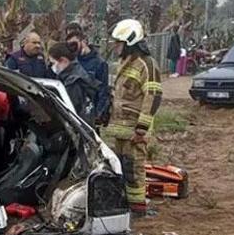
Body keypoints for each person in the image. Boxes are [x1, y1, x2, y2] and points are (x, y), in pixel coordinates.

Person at [102, 19, 163, 216]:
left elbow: (153, 96)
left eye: (118, 43)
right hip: (119, 129)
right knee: (119, 166)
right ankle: (125, 204)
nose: (114, 47)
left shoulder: (147, 65)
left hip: (134, 130)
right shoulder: (123, 64)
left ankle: (137, 209)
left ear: (130, 42)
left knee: (134, 170)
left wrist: (142, 129)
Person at [48, 41, 100, 121]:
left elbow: (68, 111)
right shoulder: (78, 72)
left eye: (53, 63)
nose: (52, 67)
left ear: (63, 60)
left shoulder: (73, 82)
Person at [67, 31, 111, 125]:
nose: (73, 48)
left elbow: (103, 91)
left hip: (91, 112)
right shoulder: (72, 62)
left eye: (74, 44)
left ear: (84, 41)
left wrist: (98, 115)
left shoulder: (99, 63)